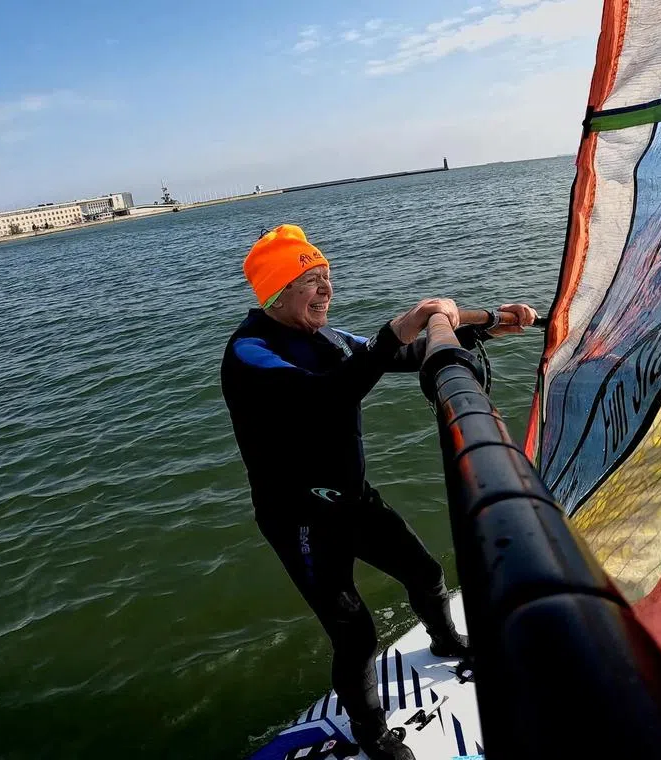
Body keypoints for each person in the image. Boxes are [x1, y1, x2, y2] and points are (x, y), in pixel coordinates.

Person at [220, 224, 537, 760]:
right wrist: (396, 327)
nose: (327, 289)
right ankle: (371, 734)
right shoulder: (251, 354)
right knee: (356, 634)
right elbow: (329, 395)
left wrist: (487, 325)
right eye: (312, 279)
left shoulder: (329, 338)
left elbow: (405, 355)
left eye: (328, 277)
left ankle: (446, 640)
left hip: (353, 497)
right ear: (277, 291)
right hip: (299, 516)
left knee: (426, 573)